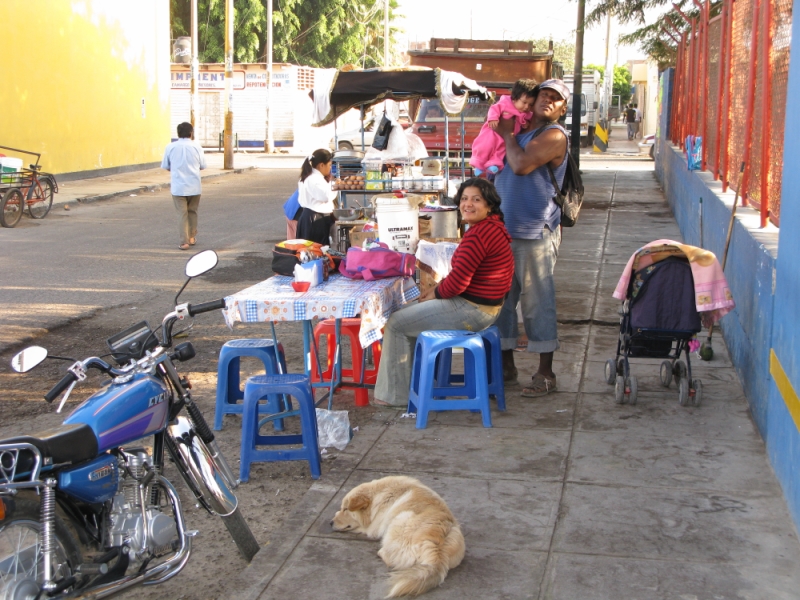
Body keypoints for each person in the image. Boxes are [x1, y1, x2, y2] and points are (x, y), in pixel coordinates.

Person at [372, 178, 514, 408]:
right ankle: (414, 384)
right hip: (484, 307)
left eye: (476, 200)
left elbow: (458, 283)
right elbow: (462, 275)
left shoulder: (480, 235)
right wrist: (435, 290)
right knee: (406, 311)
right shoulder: (491, 228)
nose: (468, 204)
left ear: (489, 206)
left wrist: (436, 293)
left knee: (396, 323)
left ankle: (395, 396)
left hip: (473, 310)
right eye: (465, 199)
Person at [494, 79, 570, 398]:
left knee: (537, 302)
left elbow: (522, 165)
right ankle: (507, 366)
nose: (548, 101)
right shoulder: (523, 131)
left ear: (562, 110)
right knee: (501, 302)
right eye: (544, 95)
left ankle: (545, 372)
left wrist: (507, 134)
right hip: (502, 230)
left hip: (535, 230)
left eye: (556, 99)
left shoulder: (553, 135)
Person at [469, 79, 537, 177]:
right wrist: (493, 118)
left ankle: (493, 164)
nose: (527, 106)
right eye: (524, 102)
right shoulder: (506, 103)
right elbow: (494, 108)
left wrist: (525, 123)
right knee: (485, 146)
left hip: (506, 137)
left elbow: (527, 119)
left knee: (501, 150)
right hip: (492, 131)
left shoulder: (526, 112)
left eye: (530, 104)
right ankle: (478, 163)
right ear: (515, 98)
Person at [161, 122, 206, 250]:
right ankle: (192, 237)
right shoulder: (197, 147)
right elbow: (202, 166)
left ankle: (183, 242)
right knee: (193, 211)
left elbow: (166, 166)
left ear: (178, 133)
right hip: (194, 186)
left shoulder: (170, 147)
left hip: (178, 187)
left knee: (182, 214)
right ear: (191, 133)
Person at [296, 149, 337, 245]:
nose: (330, 168)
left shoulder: (314, 177)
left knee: (317, 250)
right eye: (329, 165)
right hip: (315, 219)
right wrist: (334, 184)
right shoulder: (313, 179)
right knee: (316, 250)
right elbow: (325, 196)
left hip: (316, 217)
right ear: (321, 165)